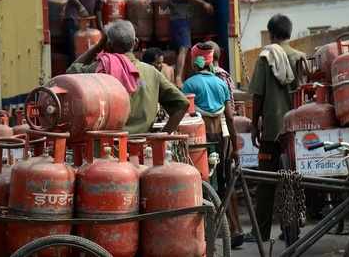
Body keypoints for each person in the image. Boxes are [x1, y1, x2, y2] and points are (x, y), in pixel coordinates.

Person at [66, 20, 189, 134]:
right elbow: (182, 104)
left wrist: (98, 46)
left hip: (107, 147)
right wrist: (162, 136)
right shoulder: (152, 72)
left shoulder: (99, 69)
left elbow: (70, 73)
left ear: (108, 45)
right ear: (135, 43)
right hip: (144, 146)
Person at [248, 14, 306, 242]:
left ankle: (261, 232)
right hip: (296, 133)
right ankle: (291, 229)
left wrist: (254, 125)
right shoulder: (300, 57)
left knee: (266, 182)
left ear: (270, 33)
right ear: (289, 33)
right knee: (293, 181)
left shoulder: (265, 57)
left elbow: (258, 95)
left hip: (272, 131)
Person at [182, 42, 243, 248]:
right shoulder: (221, 84)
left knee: (203, 184)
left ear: (195, 62)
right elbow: (230, 118)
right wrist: (236, 148)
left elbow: (185, 117)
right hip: (223, 138)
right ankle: (235, 228)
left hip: (201, 140)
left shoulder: (189, 84)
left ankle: (209, 237)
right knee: (225, 182)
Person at [170, 0, 214, 88]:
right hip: (182, 15)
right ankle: (178, 79)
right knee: (184, 48)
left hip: (175, 15)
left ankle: (179, 77)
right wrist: (204, 3)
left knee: (180, 48)